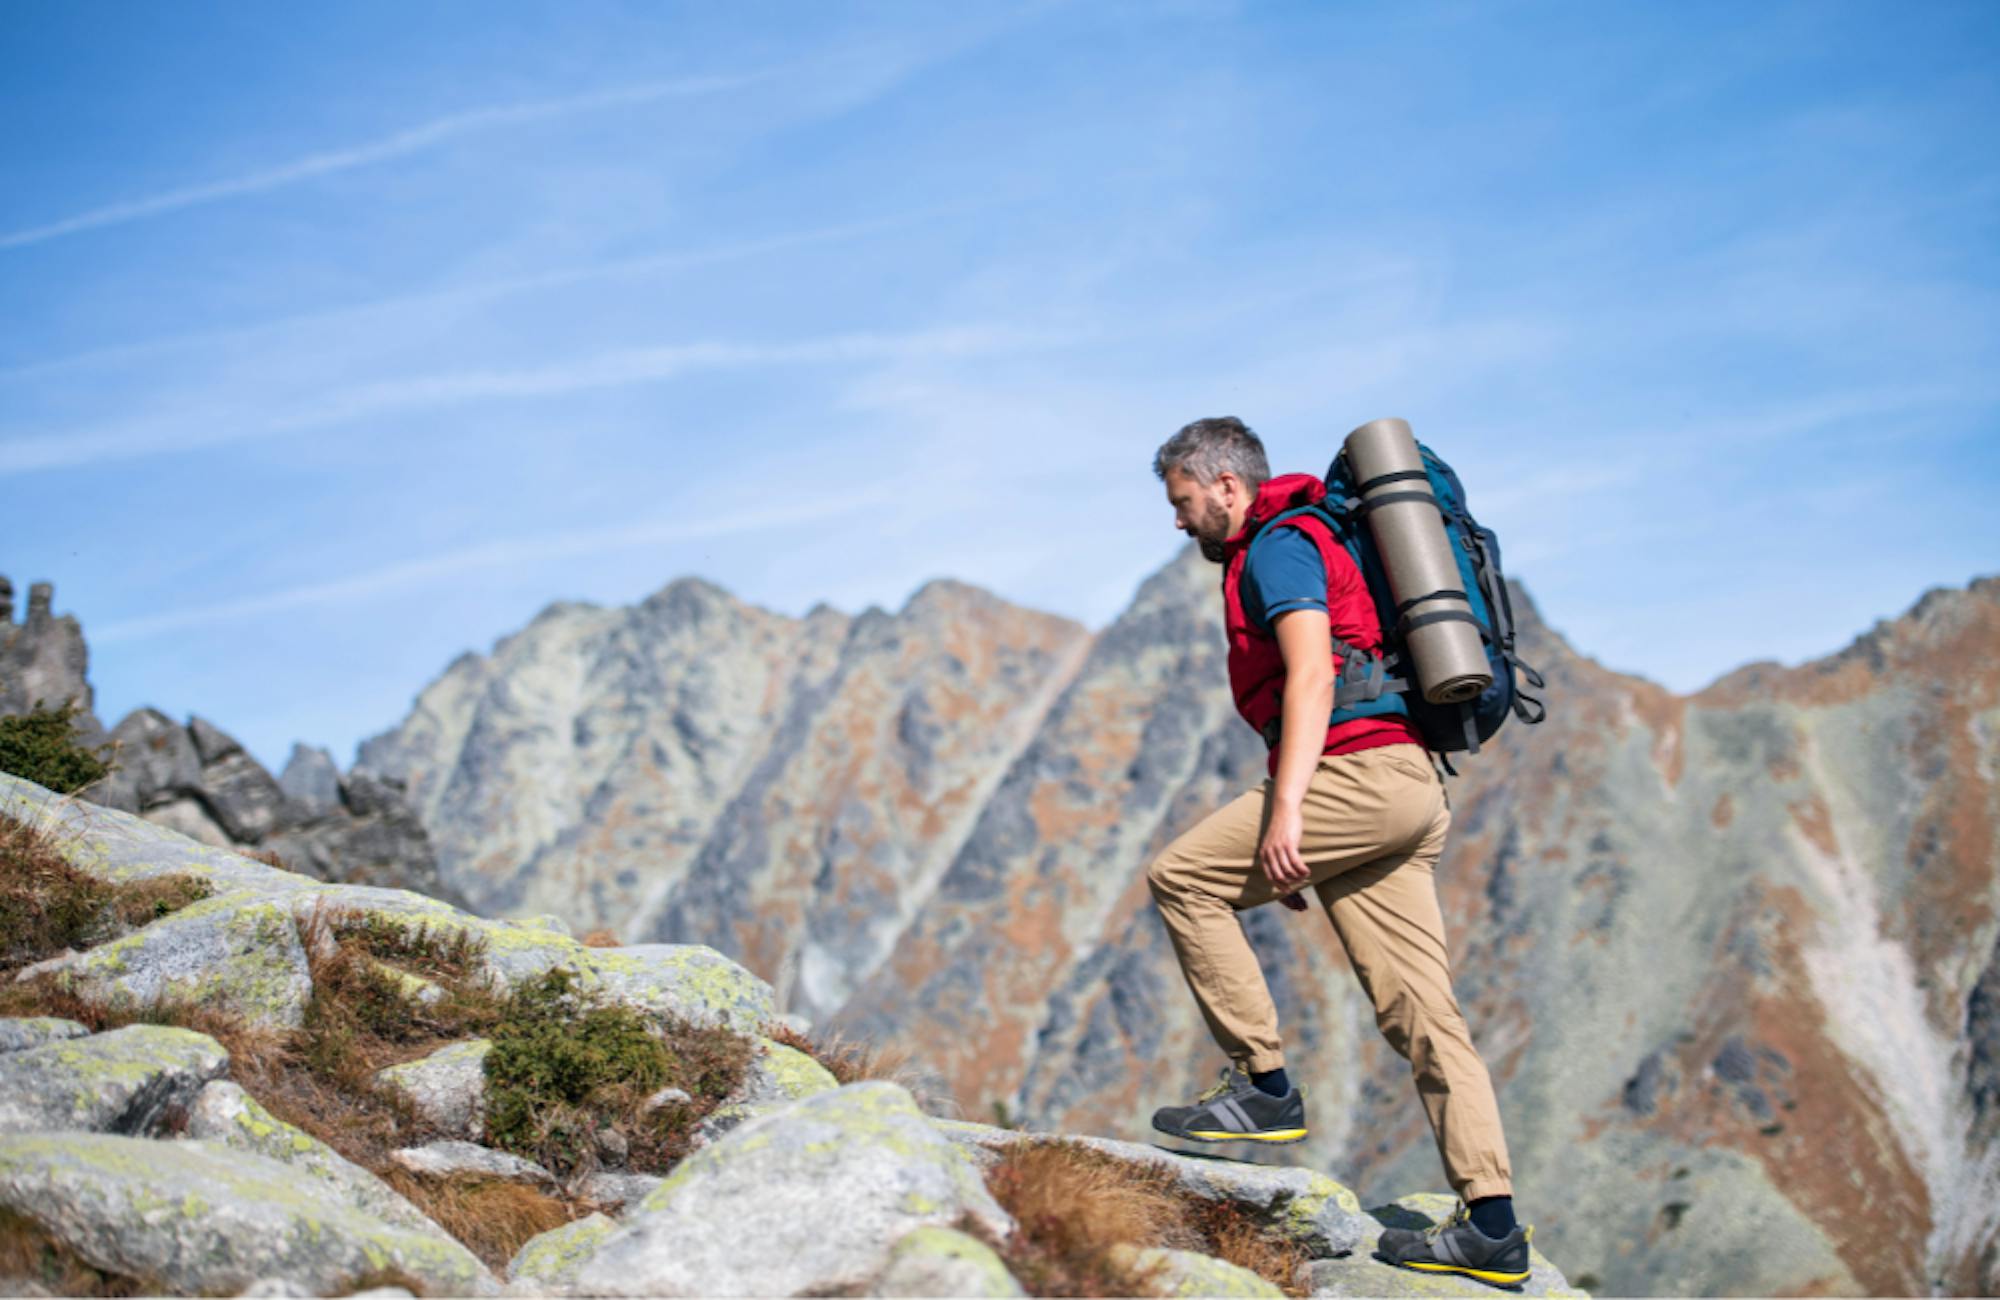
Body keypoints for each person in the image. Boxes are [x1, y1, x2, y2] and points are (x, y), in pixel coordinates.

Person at [1145, 415, 1534, 1285]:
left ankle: (1264, 1088)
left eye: (1183, 502)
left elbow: (1314, 674)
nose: (1177, 522)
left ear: (1227, 487)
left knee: (1181, 878)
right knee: (1424, 1015)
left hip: (1354, 777)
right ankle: (1493, 1227)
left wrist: (1289, 816)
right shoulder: (1301, 536)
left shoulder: (1281, 546)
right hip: (1404, 786)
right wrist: (1305, 840)